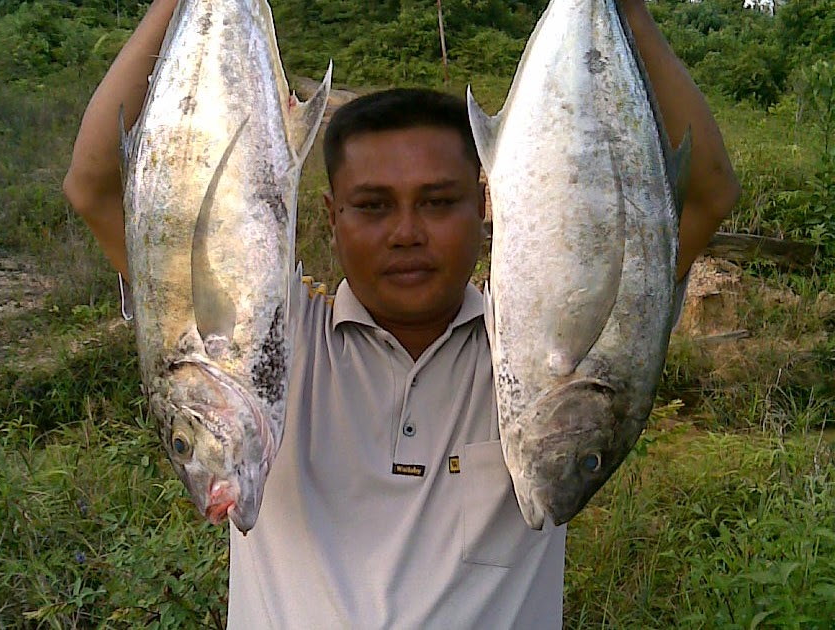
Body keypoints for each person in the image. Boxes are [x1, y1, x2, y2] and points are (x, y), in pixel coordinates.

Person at [63, 0, 740, 627]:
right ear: (331, 218)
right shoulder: (270, 344)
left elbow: (706, 195)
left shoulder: (532, 361)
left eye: (439, 202)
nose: (407, 233)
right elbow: (92, 184)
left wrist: (627, 10)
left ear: (487, 204)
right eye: (374, 205)